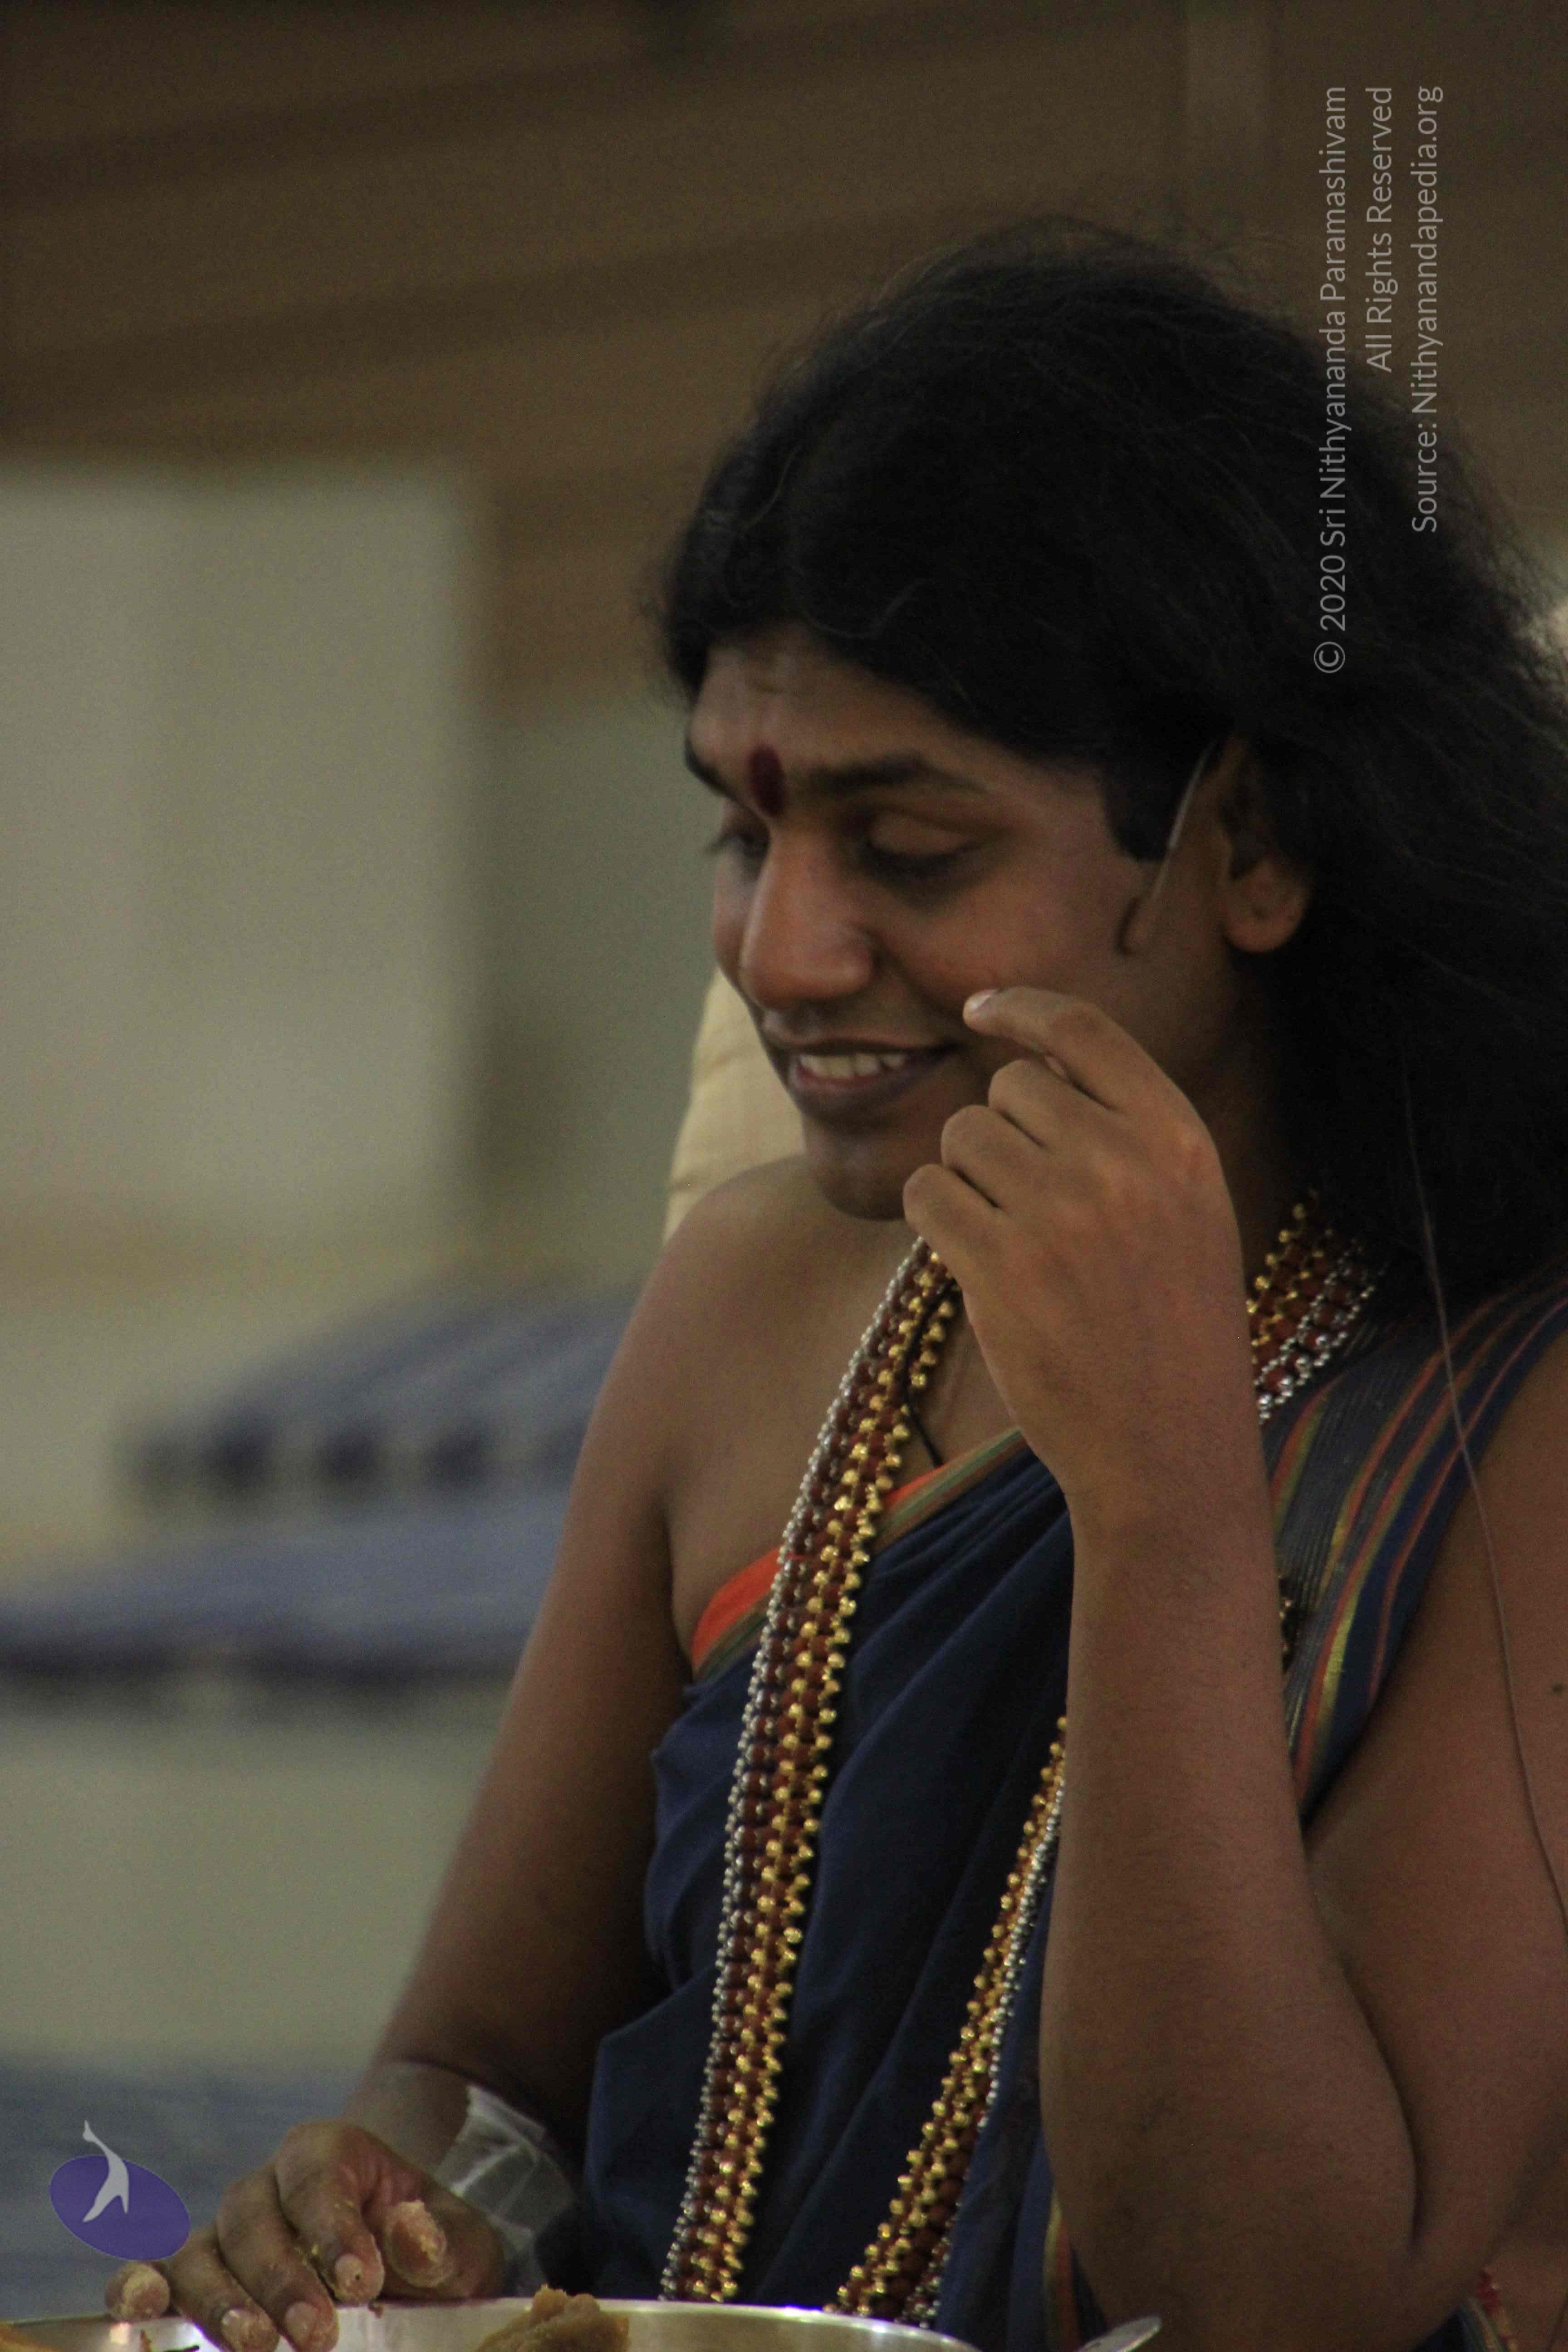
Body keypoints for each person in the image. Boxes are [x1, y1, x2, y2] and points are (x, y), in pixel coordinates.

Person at [108, 222, 1568, 2352]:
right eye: (742, 832)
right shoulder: (756, 1300)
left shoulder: (1510, 1405)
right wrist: (394, 2214)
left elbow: (1275, 2295)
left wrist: (1165, 1501)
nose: (781, 954)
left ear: (1251, 841)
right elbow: (479, 2072)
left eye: (910, 847)